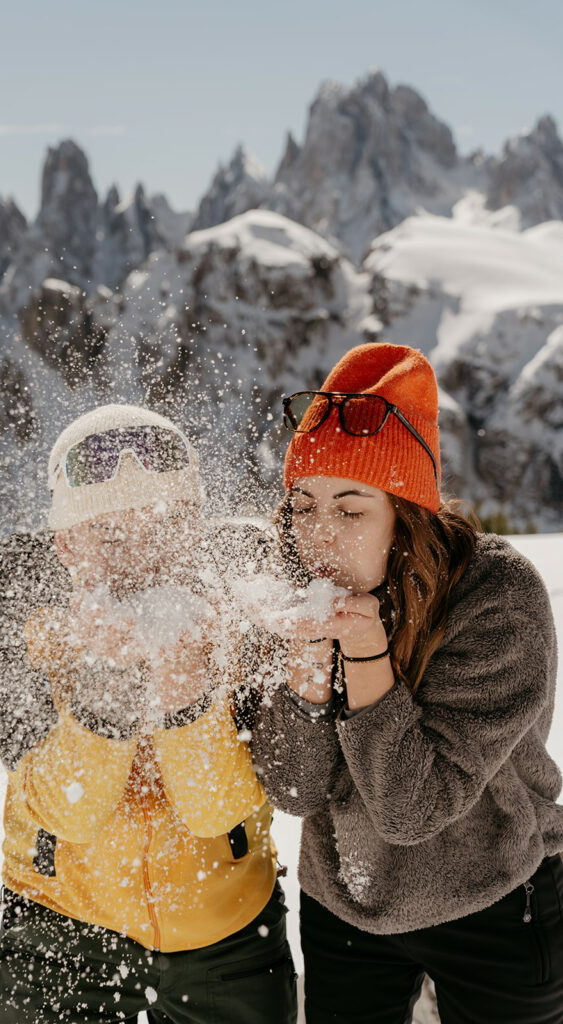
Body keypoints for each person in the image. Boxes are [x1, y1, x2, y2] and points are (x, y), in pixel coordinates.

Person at [248, 342, 563, 1023]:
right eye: (302, 506)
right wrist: (306, 673)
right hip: (347, 903)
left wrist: (363, 657)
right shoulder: (297, 586)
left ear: (406, 511)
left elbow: (412, 811)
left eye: (350, 509)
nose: (317, 536)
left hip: (494, 893)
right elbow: (295, 791)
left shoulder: (495, 596)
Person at [0, 405, 297, 1024]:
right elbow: (68, 813)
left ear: (194, 525)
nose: (140, 555)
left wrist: (185, 697)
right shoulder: (23, 618)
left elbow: (218, 809)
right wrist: (105, 697)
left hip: (223, 924)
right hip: (61, 924)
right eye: (109, 535)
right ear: (65, 543)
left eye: (162, 525)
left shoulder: (239, 614)